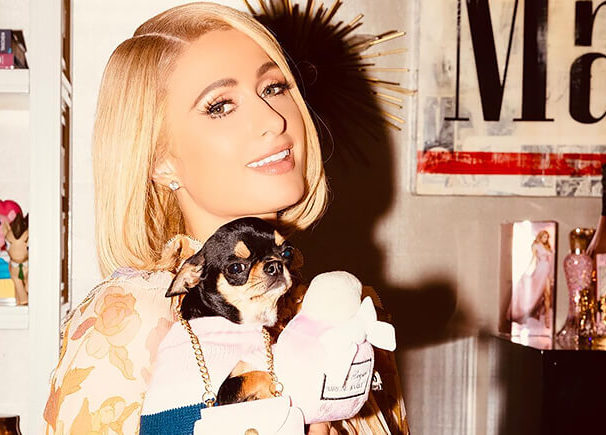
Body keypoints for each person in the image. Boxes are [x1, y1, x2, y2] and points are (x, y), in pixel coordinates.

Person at [43, 3, 407, 434]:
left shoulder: (346, 311)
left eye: (274, 87)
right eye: (220, 106)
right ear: (160, 160)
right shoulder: (128, 319)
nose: (274, 119)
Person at [510, 230, 553, 327]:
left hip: (547, 270)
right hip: (541, 270)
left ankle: (547, 318)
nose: (546, 239)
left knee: (548, 295)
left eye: (547, 237)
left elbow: (550, 261)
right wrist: (526, 271)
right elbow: (533, 259)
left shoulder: (547, 247)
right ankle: (525, 311)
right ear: (540, 237)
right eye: (544, 237)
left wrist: (551, 274)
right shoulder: (536, 246)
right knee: (538, 293)